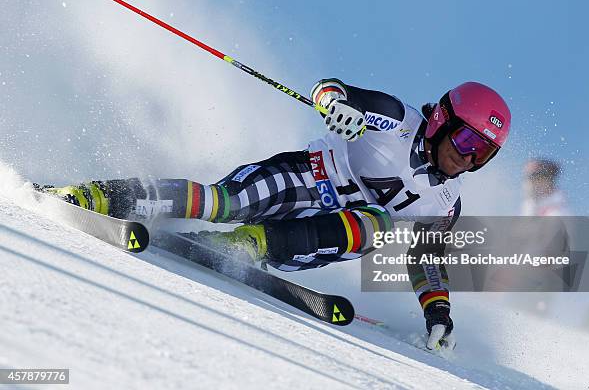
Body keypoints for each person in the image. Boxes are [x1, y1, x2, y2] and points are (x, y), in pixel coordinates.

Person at [40, 79, 511, 350]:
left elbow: (426, 260)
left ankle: (245, 246)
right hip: (304, 178)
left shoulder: (446, 204)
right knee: (221, 203)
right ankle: (99, 196)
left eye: (483, 154)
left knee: (385, 229)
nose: (468, 160)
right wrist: (336, 108)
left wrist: (439, 314)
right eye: (467, 142)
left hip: (314, 243)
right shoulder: (398, 119)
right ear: (440, 121)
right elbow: (331, 89)